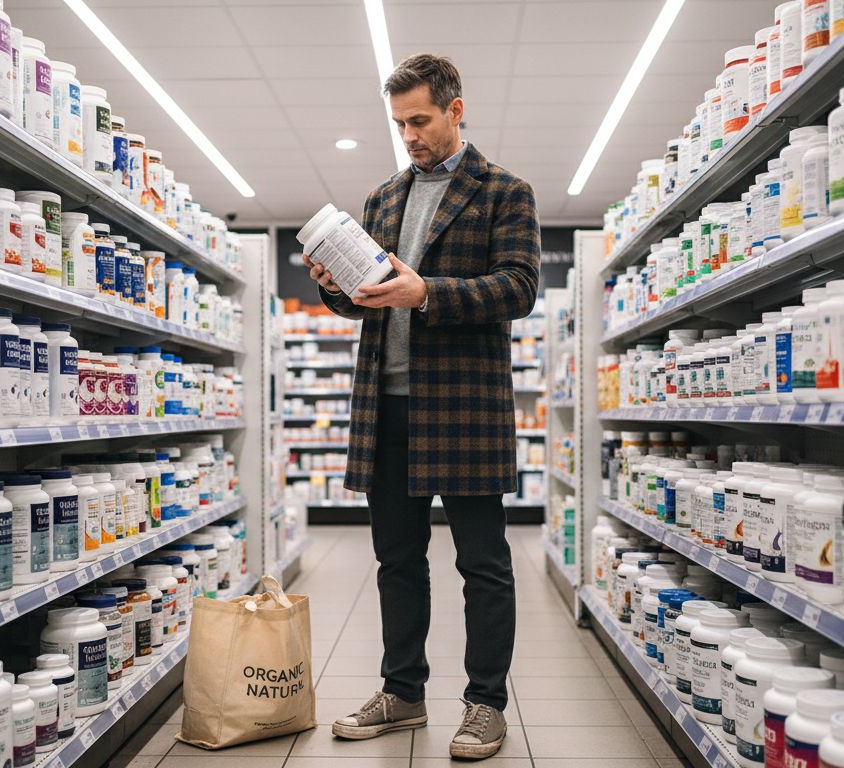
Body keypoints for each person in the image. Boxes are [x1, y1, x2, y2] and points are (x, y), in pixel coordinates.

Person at [302, 52, 540, 760]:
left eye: (421, 120)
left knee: (484, 563)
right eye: (400, 122)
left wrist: (428, 292)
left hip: (464, 405)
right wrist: (336, 285)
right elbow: (364, 300)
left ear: (455, 108)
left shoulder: (504, 191)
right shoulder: (381, 200)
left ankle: (486, 705)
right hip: (388, 405)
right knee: (397, 561)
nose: (409, 134)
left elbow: (520, 288)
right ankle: (403, 693)